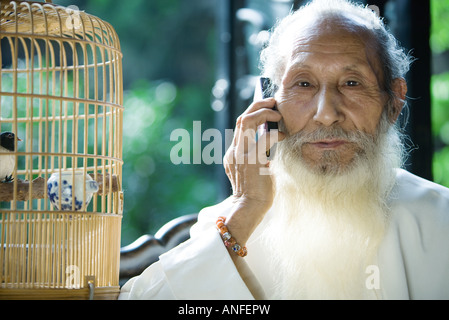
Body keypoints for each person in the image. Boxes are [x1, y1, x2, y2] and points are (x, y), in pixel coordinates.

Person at [119, 0, 449, 300]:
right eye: (303, 84)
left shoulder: (439, 219)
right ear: (270, 105)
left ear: (394, 101)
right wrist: (247, 207)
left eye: (351, 83)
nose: (326, 113)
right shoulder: (235, 221)